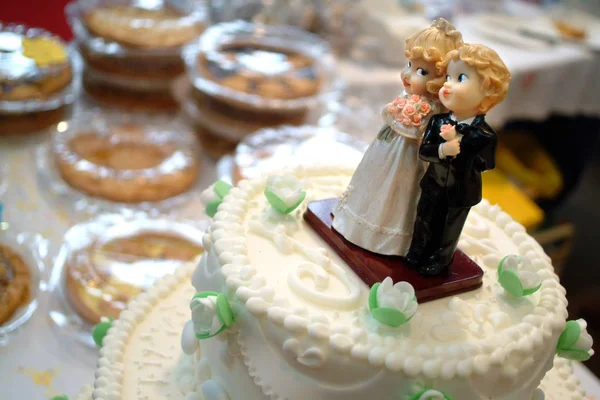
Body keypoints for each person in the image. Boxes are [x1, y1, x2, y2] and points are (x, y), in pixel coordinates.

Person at [332, 19, 463, 256]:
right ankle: (354, 217)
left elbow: (412, 131)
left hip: (406, 157)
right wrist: (393, 112)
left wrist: (394, 115)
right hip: (386, 150)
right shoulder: (409, 95)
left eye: (421, 71)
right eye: (410, 65)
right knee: (372, 180)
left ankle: (383, 235)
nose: (408, 74)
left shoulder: (430, 107)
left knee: (395, 191)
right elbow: (391, 114)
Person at [405, 43, 511, 276]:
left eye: (460, 78)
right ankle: (417, 250)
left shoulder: (485, 135)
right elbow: (425, 151)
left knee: (448, 229)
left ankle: (439, 259)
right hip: (433, 184)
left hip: (461, 192)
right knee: (424, 219)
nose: (448, 85)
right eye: (448, 77)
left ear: (488, 91)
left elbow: (487, 165)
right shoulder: (437, 122)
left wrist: (463, 148)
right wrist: (443, 150)